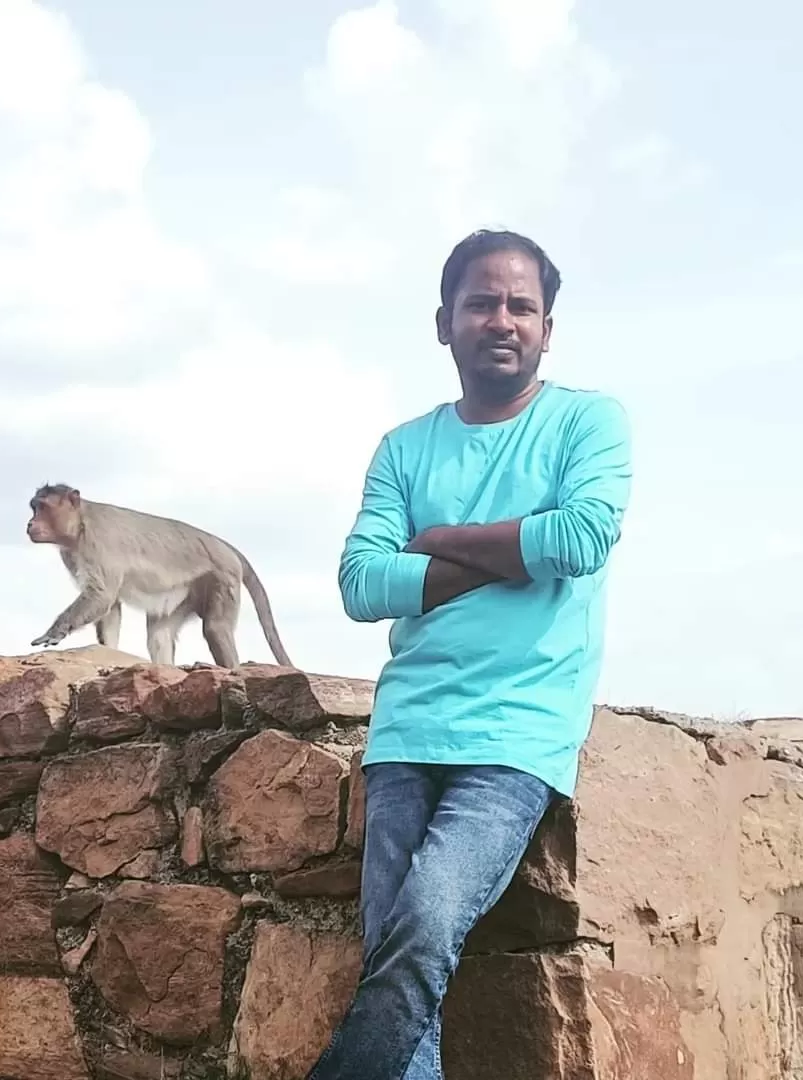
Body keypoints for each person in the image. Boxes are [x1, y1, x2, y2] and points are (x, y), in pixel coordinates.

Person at [307, 229, 633, 1080]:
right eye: (481, 302)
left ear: (548, 329)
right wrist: (505, 558)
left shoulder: (586, 421)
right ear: (444, 322)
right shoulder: (405, 446)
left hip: (519, 732)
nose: (502, 319)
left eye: (522, 306)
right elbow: (360, 583)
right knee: (397, 955)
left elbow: (582, 536)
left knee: (423, 927)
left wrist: (441, 541)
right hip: (408, 727)